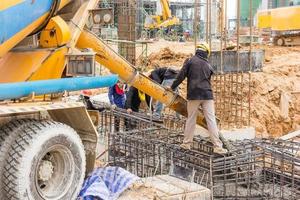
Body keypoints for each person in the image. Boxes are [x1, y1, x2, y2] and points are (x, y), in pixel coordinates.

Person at [170, 42, 227, 154]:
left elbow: (181, 76)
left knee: (191, 118)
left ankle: (186, 144)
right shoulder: (207, 64)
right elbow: (209, 77)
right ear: (206, 52)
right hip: (207, 95)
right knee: (211, 120)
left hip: (194, 95)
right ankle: (218, 147)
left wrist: (172, 87)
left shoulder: (190, 61)